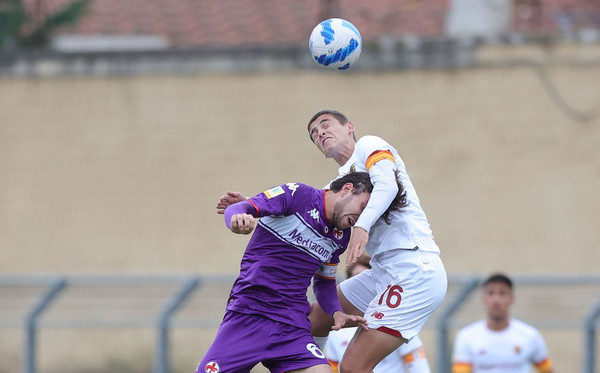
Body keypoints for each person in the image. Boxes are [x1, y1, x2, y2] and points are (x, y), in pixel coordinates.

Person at [218, 110, 447, 373]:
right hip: (384, 271)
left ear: (350, 126)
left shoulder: (369, 145)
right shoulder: (340, 185)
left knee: (352, 367)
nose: (320, 133)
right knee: (309, 320)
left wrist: (361, 226)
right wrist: (252, 207)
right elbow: (305, 210)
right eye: (314, 134)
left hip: (415, 269)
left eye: (325, 125)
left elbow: (388, 186)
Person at [198, 171, 408, 373]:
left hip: (291, 323)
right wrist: (237, 222)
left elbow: (324, 283)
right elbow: (241, 208)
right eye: (363, 207)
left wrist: (336, 312)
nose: (363, 218)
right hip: (250, 312)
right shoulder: (297, 194)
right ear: (346, 189)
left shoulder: (340, 237)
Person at [325, 255, 432, 373]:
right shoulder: (338, 328)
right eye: (357, 278)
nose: (363, 285)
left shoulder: (395, 320)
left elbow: (418, 365)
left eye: (367, 278)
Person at [452, 273, 554, 373]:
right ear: (484, 299)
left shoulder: (530, 335)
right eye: (491, 293)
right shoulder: (466, 337)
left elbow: (547, 370)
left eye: (502, 293)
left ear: (511, 298)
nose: (496, 300)